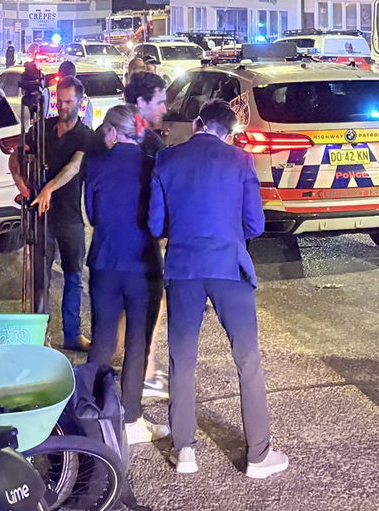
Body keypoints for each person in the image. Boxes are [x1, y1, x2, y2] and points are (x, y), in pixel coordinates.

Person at [148, 98, 286, 479]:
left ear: (197, 124)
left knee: (182, 359)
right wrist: (227, 235)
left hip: (183, 268)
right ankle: (258, 454)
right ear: (229, 133)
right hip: (228, 265)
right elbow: (255, 224)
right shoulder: (241, 162)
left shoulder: (167, 161)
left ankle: (185, 451)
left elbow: (156, 224)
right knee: (247, 359)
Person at [83, 106, 165, 445]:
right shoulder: (152, 167)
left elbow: (91, 213)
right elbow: (159, 219)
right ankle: (131, 420)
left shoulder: (96, 164)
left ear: (114, 132)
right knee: (137, 344)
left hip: (104, 261)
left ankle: (88, 409)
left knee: (103, 339)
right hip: (143, 264)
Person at [11, 76, 97, 351]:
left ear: (80, 103)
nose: (62, 106)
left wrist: (48, 188)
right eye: (59, 101)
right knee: (41, 279)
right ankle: (41, 335)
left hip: (69, 217)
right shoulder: (42, 129)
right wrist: (22, 185)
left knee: (73, 276)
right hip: (40, 216)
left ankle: (72, 334)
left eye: (68, 102)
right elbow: (15, 156)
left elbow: (74, 167)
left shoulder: (86, 136)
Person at [123, 68, 171, 400]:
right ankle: (145, 369)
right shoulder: (152, 144)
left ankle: (133, 366)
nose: (165, 109)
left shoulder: (107, 135)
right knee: (151, 303)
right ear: (141, 102)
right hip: (143, 236)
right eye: (160, 102)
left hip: (114, 239)